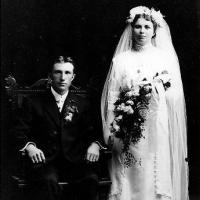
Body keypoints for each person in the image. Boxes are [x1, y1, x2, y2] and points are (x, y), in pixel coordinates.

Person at [101, 6, 189, 200]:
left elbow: (175, 94)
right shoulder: (121, 60)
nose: (142, 31)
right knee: (130, 167)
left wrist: (154, 89)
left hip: (156, 122)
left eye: (147, 27)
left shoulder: (164, 58)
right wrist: (110, 128)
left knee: (153, 165)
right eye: (138, 26)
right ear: (131, 28)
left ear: (154, 30)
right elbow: (113, 96)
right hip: (127, 123)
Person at [14, 56, 104, 200]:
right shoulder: (33, 102)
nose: (63, 78)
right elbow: (19, 131)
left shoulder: (83, 104)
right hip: (45, 162)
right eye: (58, 72)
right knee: (47, 182)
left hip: (75, 161)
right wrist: (30, 147)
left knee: (90, 179)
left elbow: (95, 130)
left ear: (73, 77)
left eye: (67, 73)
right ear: (50, 76)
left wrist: (95, 144)